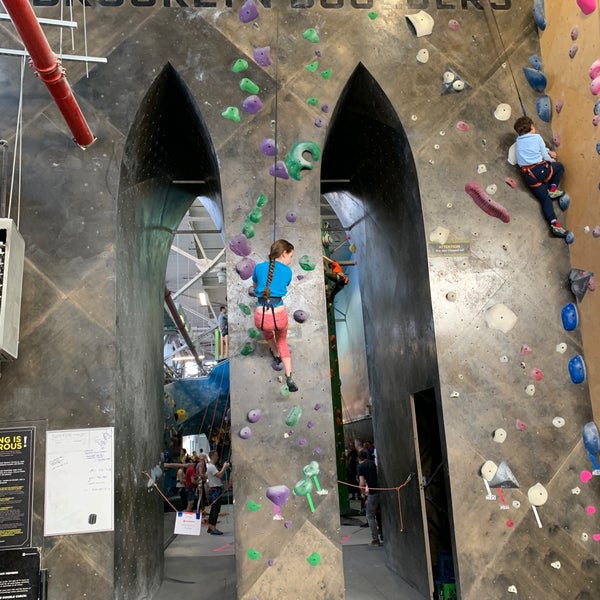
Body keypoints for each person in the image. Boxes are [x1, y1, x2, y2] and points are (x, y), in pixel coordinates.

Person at [252, 239, 298, 392]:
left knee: (266, 331)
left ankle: (275, 353)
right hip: (278, 316)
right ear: (284, 253)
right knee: (282, 340)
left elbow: (255, 287)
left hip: (261, 317)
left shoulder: (258, 268)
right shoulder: (287, 271)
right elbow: (283, 285)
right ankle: (289, 377)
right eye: (290, 256)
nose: (290, 261)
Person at [513, 116, 568, 238]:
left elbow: (532, 147)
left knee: (545, 200)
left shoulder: (518, 141)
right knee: (559, 167)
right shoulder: (537, 137)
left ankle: (554, 224)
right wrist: (551, 159)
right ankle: (553, 189)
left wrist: (547, 150)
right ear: (532, 127)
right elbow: (544, 154)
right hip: (541, 171)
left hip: (529, 176)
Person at [357, 448, 382, 546]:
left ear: (359, 458)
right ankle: (382, 535)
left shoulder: (361, 467)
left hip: (372, 492)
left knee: (370, 515)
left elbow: (362, 483)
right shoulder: (372, 463)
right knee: (379, 513)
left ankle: (375, 539)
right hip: (380, 490)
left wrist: (363, 494)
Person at [205, 450, 230, 535]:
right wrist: (224, 467)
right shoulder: (211, 466)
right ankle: (213, 528)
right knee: (215, 510)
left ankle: (210, 527)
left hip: (214, 489)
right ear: (212, 456)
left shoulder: (210, 466)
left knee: (214, 509)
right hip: (215, 490)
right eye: (216, 455)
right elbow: (219, 475)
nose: (218, 457)